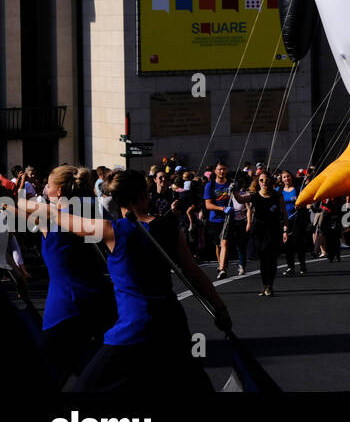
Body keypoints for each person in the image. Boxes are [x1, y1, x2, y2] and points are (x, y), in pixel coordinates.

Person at [19, 169, 228, 392]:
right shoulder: (168, 228)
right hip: (172, 323)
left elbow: (57, 217)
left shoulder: (112, 231)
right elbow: (194, 273)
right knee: (193, 385)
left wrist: (21, 204)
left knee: (86, 388)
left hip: (134, 327)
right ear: (144, 195)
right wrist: (220, 309)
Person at [36, 166, 116, 387]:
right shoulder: (93, 212)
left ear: (59, 191)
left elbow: (16, 207)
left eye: (48, 186)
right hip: (102, 300)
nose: (44, 189)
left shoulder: (48, 220)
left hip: (66, 306)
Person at [248, 171, 287, 296]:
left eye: (266, 180)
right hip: (259, 231)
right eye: (261, 180)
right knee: (263, 259)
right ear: (258, 182)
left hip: (273, 230)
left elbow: (284, 213)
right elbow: (240, 199)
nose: (264, 183)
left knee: (271, 258)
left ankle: (270, 285)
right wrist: (232, 192)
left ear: (271, 181)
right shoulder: (254, 196)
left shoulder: (277, 195)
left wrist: (285, 229)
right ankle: (265, 284)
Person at [203, 162, 233, 278]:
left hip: (227, 219)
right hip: (215, 219)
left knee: (224, 242)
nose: (222, 171)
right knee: (217, 245)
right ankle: (221, 263)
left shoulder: (230, 183)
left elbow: (238, 197)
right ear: (215, 171)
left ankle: (222, 268)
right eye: (220, 169)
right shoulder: (210, 185)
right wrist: (222, 208)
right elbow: (208, 205)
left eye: (224, 169)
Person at [279, 170, 309, 276]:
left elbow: (305, 200)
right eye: (284, 177)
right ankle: (290, 266)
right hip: (286, 220)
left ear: (291, 177)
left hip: (298, 219)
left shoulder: (297, 190)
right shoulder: (279, 191)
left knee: (298, 242)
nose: (286, 179)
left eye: (288, 176)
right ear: (281, 179)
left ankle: (302, 265)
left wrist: (300, 205)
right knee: (287, 243)